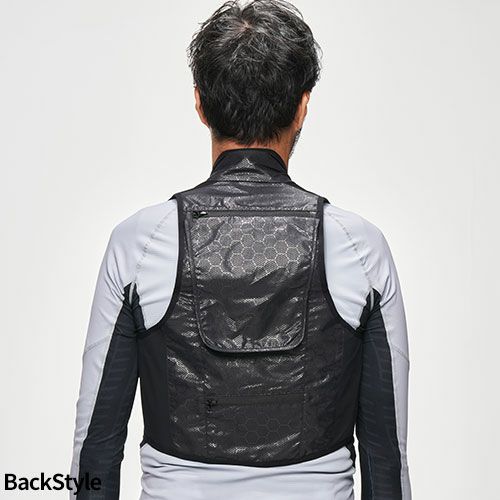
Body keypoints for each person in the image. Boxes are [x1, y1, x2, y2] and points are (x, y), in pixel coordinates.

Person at [70, 1, 411, 499]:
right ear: (302, 106)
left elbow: (96, 446)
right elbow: (387, 455)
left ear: (200, 104)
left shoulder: (139, 242)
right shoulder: (360, 247)